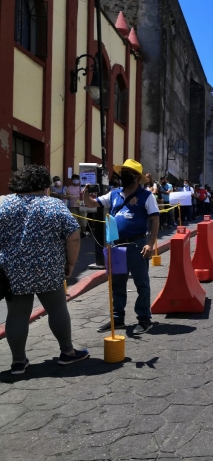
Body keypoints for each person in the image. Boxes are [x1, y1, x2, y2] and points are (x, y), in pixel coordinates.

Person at [0, 165, 89, 375]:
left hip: (13, 272)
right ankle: (67, 352)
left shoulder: (2, 204)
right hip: (48, 269)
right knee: (57, 309)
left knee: (17, 315)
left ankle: (18, 362)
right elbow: (74, 236)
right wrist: (70, 263)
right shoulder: (54, 205)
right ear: (44, 185)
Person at [83, 159, 159, 335]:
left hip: (137, 245)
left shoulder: (147, 196)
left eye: (127, 174)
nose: (122, 177)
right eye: (121, 173)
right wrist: (86, 194)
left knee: (142, 283)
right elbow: (92, 204)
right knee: (117, 284)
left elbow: (155, 219)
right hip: (116, 246)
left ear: (135, 178)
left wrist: (150, 243)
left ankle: (144, 319)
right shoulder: (114, 194)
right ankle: (118, 319)